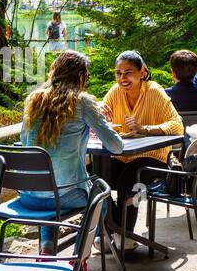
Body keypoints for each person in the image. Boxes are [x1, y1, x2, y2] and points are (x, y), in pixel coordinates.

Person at [20, 50, 123, 253]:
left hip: (28, 195)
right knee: (101, 196)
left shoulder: (33, 99)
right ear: (81, 76)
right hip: (64, 196)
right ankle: (80, 254)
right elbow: (116, 146)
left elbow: (24, 140)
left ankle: (47, 250)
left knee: (50, 190)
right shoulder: (82, 101)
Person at [100, 51, 185, 245]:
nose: (122, 78)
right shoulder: (115, 92)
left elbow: (177, 125)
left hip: (154, 158)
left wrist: (144, 129)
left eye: (128, 72)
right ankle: (112, 231)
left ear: (142, 72)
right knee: (94, 179)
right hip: (122, 156)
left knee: (128, 182)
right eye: (118, 73)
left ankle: (123, 236)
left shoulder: (154, 91)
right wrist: (100, 112)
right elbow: (102, 116)